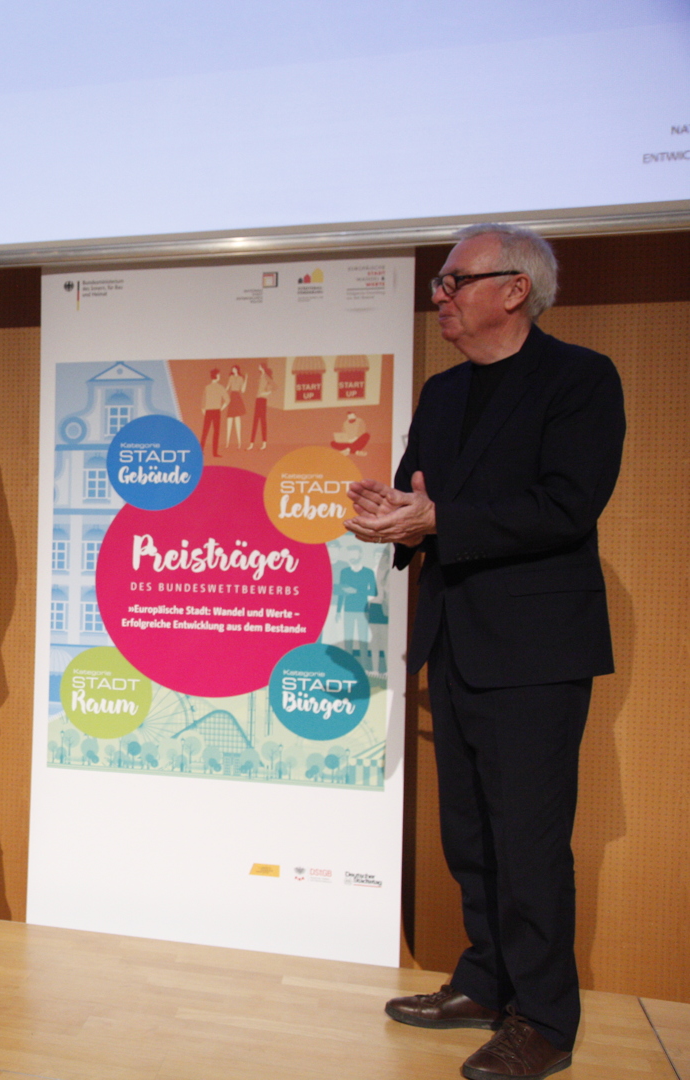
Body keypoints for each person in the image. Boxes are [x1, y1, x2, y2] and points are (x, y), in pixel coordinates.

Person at [346, 223, 625, 1080]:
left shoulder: (580, 379)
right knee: (469, 836)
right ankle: (484, 982)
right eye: (440, 282)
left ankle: (543, 1019)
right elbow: (423, 498)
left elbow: (567, 505)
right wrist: (393, 517)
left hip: (536, 651)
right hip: (455, 637)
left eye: (453, 280)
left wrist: (437, 519)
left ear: (514, 289)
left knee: (529, 842)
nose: (439, 295)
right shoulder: (442, 392)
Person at [199, 368, 225, 458]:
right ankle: (215, 453)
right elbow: (227, 400)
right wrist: (221, 408)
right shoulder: (220, 387)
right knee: (216, 432)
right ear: (216, 376)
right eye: (219, 375)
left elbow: (203, 401)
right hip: (216, 411)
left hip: (208, 411)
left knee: (205, 431)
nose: (220, 376)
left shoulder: (207, 387)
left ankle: (201, 451)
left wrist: (204, 410)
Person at [248, 361, 273, 450]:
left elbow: (273, 387)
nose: (258, 367)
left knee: (263, 421)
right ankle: (251, 444)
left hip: (263, 400)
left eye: (259, 366)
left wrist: (265, 393)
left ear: (262, 367)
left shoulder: (266, 377)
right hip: (258, 400)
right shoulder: (261, 376)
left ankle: (264, 444)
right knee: (255, 421)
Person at [222, 364, 247, 448]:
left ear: (237, 369)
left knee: (237, 421)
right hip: (232, 397)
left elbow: (243, 390)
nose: (233, 370)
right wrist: (222, 393)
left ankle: (239, 443)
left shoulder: (240, 378)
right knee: (229, 420)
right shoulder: (231, 377)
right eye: (232, 369)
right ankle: (227, 443)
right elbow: (227, 387)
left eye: (234, 369)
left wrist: (246, 380)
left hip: (237, 398)